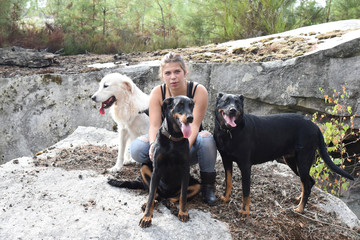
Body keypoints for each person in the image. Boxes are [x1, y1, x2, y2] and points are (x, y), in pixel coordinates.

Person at [130, 52, 217, 206]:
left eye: (177, 71)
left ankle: (208, 187)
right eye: (168, 73)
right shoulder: (158, 93)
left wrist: (182, 151)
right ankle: (158, 174)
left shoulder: (198, 91)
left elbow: (195, 125)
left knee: (207, 138)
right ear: (162, 75)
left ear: (185, 72)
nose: (173, 77)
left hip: (187, 145)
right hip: (166, 143)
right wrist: (152, 146)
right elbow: (155, 125)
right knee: (137, 148)